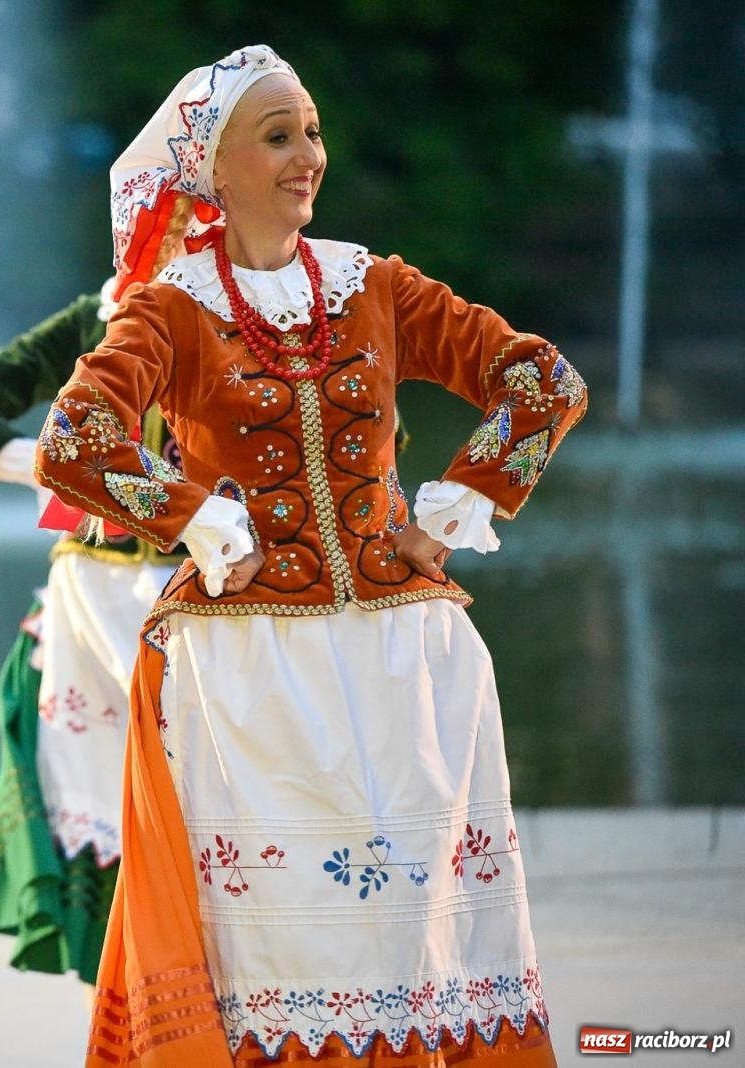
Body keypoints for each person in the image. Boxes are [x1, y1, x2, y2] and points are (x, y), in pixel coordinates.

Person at [34, 47, 586, 1067]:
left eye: (314, 131)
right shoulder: (171, 305)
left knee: (415, 946)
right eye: (278, 135)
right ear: (213, 166)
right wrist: (197, 520)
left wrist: (455, 505)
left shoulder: (374, 284)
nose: (307, 155)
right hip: (251, 674)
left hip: (405, 662)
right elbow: (74, 439)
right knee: (285, 954)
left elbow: (543, 380)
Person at [0, 219, 409, 989]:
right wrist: (37, 464)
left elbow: (370, 429)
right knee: (125, 798)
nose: (188, 235)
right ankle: (141, 1000)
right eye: (170, 220)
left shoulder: (275, 318)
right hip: (104, 601)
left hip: (231, 591)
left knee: (238, 797)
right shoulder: (105, 318)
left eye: (201, 219)